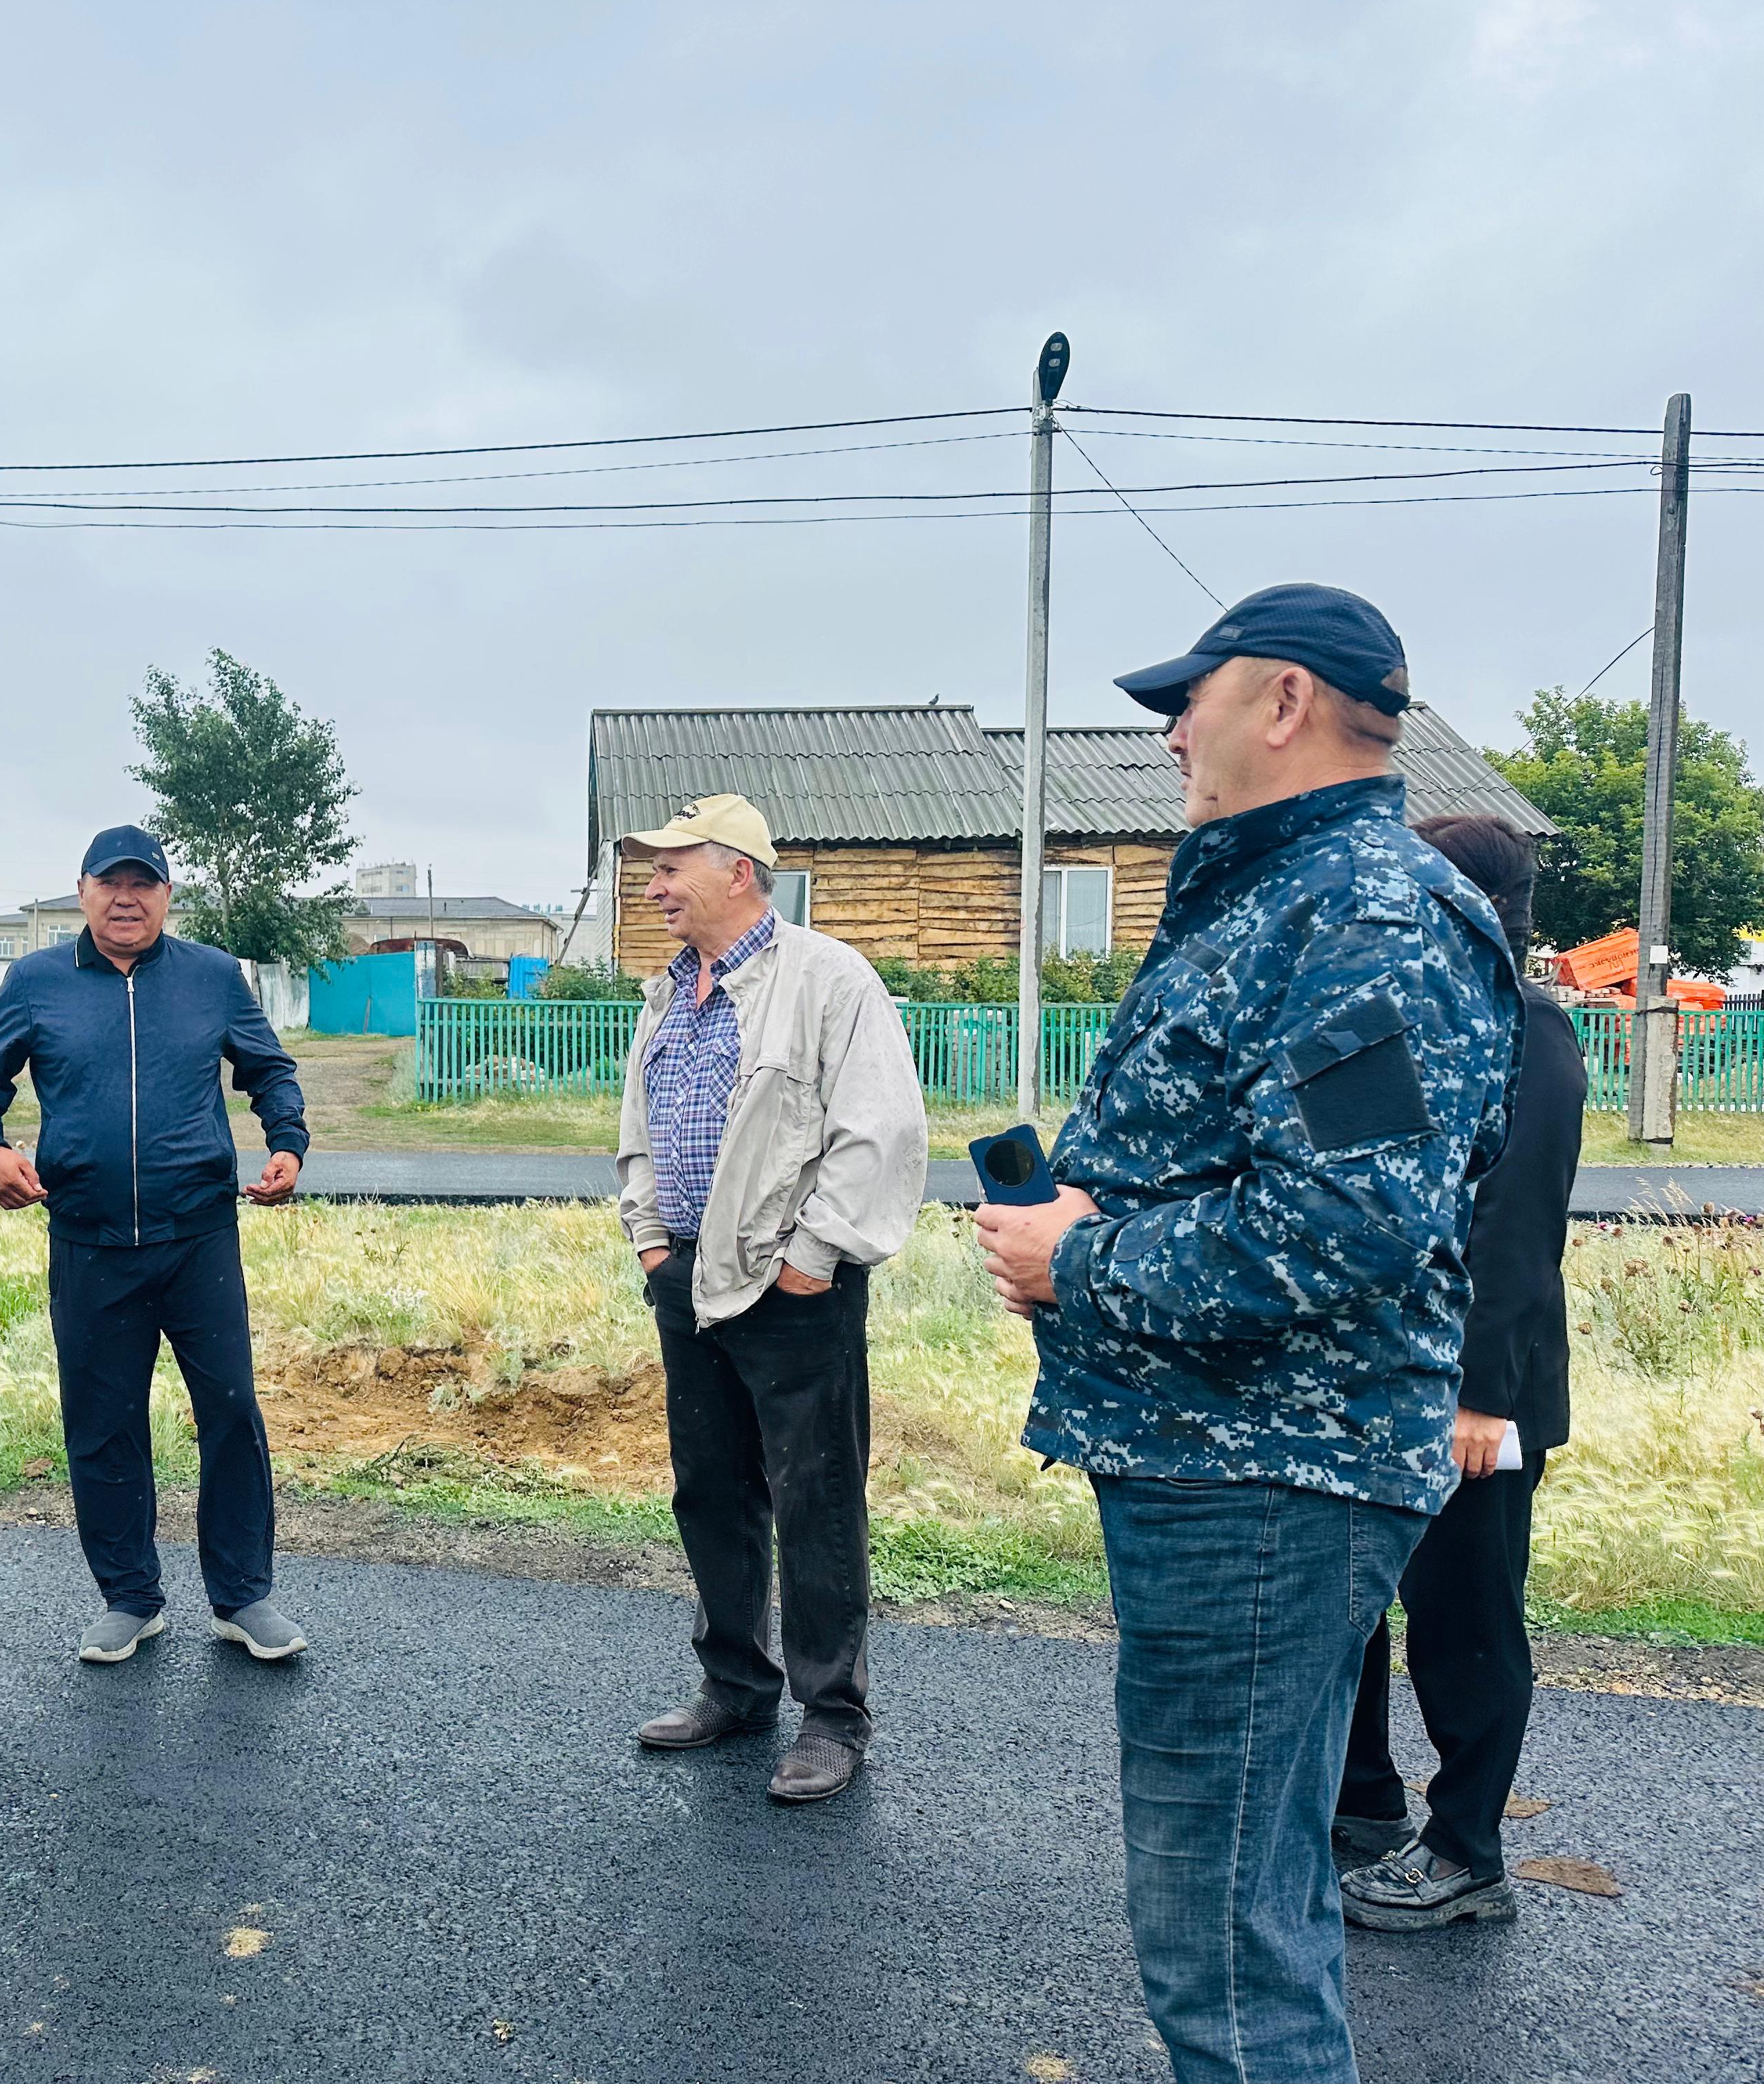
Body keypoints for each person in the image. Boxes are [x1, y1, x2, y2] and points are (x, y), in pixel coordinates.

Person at [973, 586, 1520, 2084]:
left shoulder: (1367, 913)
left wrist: (1086, 1260)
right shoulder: (1289, 896)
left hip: (1265, 1483)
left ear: (1279, 702)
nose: (1166, 730)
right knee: (1251, 1911)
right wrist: (1090, 1224)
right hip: (1227, 1465)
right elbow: (1281, 1177)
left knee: (1221, 1942)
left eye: (1186, 697)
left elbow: (1348, 1222)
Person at [612, 794, 927, 1804]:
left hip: (797, 1285)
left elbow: (879, 1131)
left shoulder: (829, 979)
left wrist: (814, 1256)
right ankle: (735, 1684)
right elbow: (641, 1122)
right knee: (711, 1487)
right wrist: (652, 1235)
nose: (654, 887)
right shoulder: (668, 993)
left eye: (670, 869)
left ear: (738, 870)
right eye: (651, 870)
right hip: (690, 1277)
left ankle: (833, 1716)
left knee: (816, 1500)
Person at [0, 824, 311, 1664]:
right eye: (110, 884)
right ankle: (129, 1597)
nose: (126, 898)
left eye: (143, 885)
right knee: (104, 1424)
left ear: (167, 898)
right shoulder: (37, 981)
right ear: (82, 893)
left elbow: (269, 1069)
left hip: (199, 1239)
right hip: (89, 1240)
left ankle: (243, 1597)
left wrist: (286, 1139)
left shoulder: (212, 977)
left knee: (229, 1414)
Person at [1335, 814, 1584, 1930]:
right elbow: (1347, 1182)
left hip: (1469, 1394)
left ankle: (1467, 1849)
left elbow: (1514, 1233)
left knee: (1462, 1618)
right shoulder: (1408, 1019)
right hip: (1370, 1375)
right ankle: (1358, 1801)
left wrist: (1479, 1394)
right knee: (1344, 1604)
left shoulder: (1529, 1028)